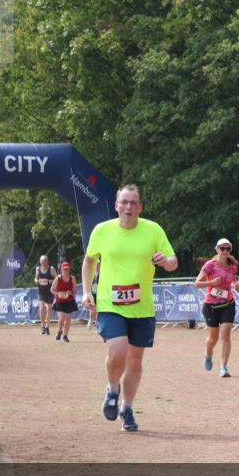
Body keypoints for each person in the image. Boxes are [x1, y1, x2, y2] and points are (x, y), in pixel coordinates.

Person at [82, 184, 177, 432]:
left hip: (142, 307)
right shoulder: (102, 231)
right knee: (118, 351)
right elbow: (90, 259)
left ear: (140, 207)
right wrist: (85, 292)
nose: (129, 207)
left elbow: (173, 262)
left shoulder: (153, 230)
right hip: (110, 303)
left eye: (134, 203)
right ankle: (112, 389)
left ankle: (127, 408)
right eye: (124, 202)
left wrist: (165, 261)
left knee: (135, 362)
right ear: (116, 206)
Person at [195, 238, 239, 377]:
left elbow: (233, 280)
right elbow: (197, 283)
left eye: (228, 249)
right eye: (222, 248)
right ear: (217, 249)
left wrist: (236, 285)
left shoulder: (233, 266)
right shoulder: (210, 265)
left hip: (228, 304)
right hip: (211, 306)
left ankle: (223, 367)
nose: (225, 251)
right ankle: (208, 354)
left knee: (225, 334)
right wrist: (211, 282)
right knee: (212, 339)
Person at [51, 261, 78, 342]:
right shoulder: (58, 278)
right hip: (59, 301)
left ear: (69, 269)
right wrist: (57, 293)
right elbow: (51, 289)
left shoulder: (72, 278)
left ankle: (65, 335)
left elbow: (74, 290)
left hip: (69, 301)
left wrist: (71, 292)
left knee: (68, 318)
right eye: (64, 269)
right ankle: (59, 331)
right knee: (62, 318)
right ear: (61, 269)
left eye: (67, 269)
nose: (66, 270)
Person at [35, 255, 57, 335]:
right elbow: (35, 278)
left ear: (47, 262)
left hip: (49, 292)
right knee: (41, 309)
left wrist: (53, 281)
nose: (43, 263)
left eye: (45, 261)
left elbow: (57, 278)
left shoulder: (51, 269)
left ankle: (47, 326)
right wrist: (36, 281)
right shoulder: (38, 269)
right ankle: (42, 325)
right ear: (40, 262)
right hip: (41, 292)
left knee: (49, 309)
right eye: (42, 261)